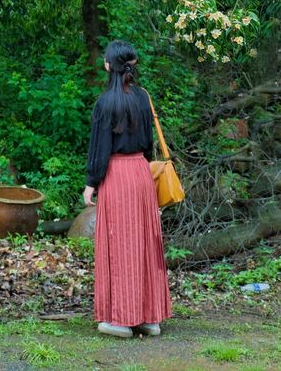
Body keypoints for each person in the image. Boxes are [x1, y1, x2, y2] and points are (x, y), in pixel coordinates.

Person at [82, 39, 172, 338]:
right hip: (141, 173)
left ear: (109, 65)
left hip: (117, 175)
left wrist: (91, 183)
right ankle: (149, 319)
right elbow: (147, 145)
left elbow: (100, 148)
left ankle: (121, 320)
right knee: (145, 243)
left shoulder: (105, 103)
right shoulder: (142, 98)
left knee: (119, 244)